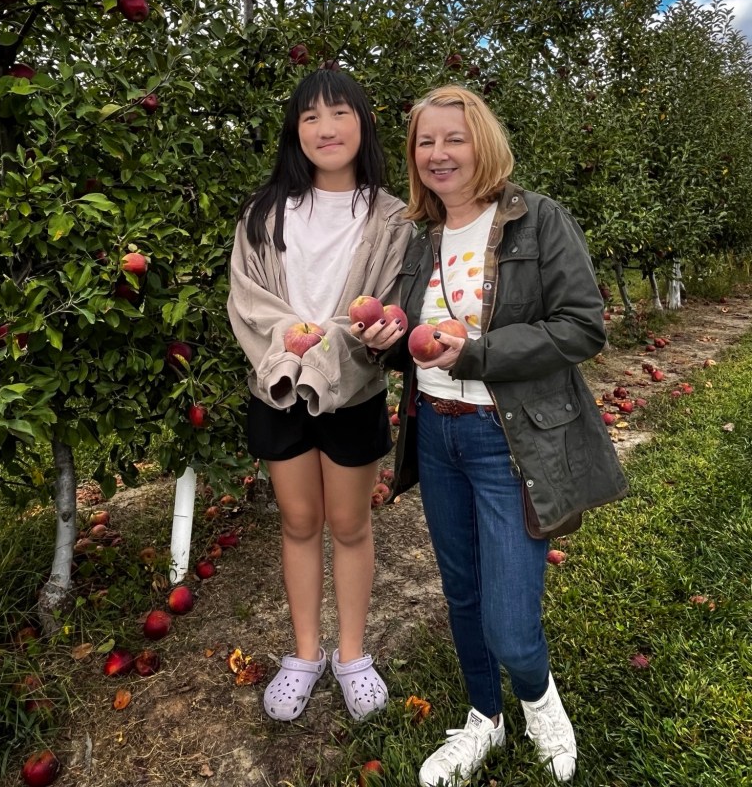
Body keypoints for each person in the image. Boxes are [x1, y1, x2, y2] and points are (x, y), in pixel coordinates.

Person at [356, 85, 629, 785]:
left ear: (483, 142)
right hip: (437, 435)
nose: (439, 153)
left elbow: (582, 326)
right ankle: (485, 716)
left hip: (508, 440)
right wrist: (384, 340)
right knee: (463, 594)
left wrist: (477, 353)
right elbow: (412, 341)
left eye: (454, 137)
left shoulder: (538, 221)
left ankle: (540, 702)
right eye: (425, 141)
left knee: (509, 621)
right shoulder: (420, 238)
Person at [227, 69, 412, 723]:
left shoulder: (393, 219)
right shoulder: (264, 212)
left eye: (340, 113)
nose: (326, 128)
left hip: (354, 390)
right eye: (311, 117)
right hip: (280, 388)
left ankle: (352, 655)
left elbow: (389, 303)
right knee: (300, 522)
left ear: (363, 124)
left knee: (351, 525)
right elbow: (248, 301)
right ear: (295, 130)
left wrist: (353, 339)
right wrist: (296, 345)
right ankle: (305, 653)